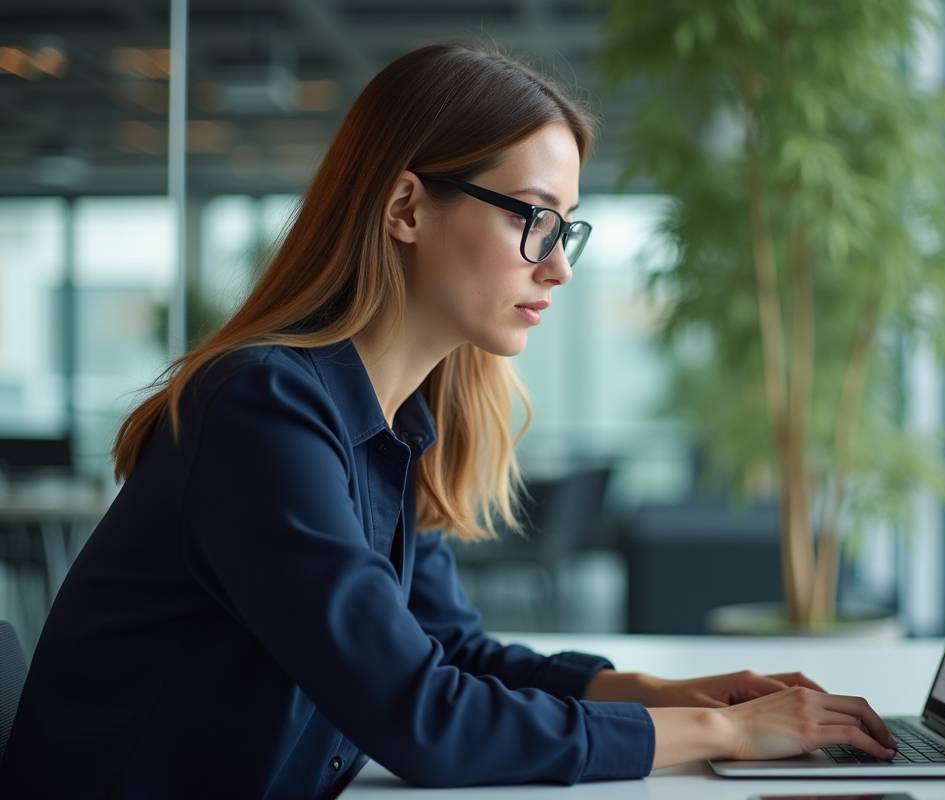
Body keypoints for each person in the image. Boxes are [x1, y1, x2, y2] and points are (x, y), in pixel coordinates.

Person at [0, 43, 896, 799]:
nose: (559, 267)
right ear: (405, 209)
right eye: (536, 219)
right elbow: (423, 720)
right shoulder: (262, 408)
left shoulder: (396, 422)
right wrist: (723, 736)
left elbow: (446, 651)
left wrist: (667, 694)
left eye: (567, 230)